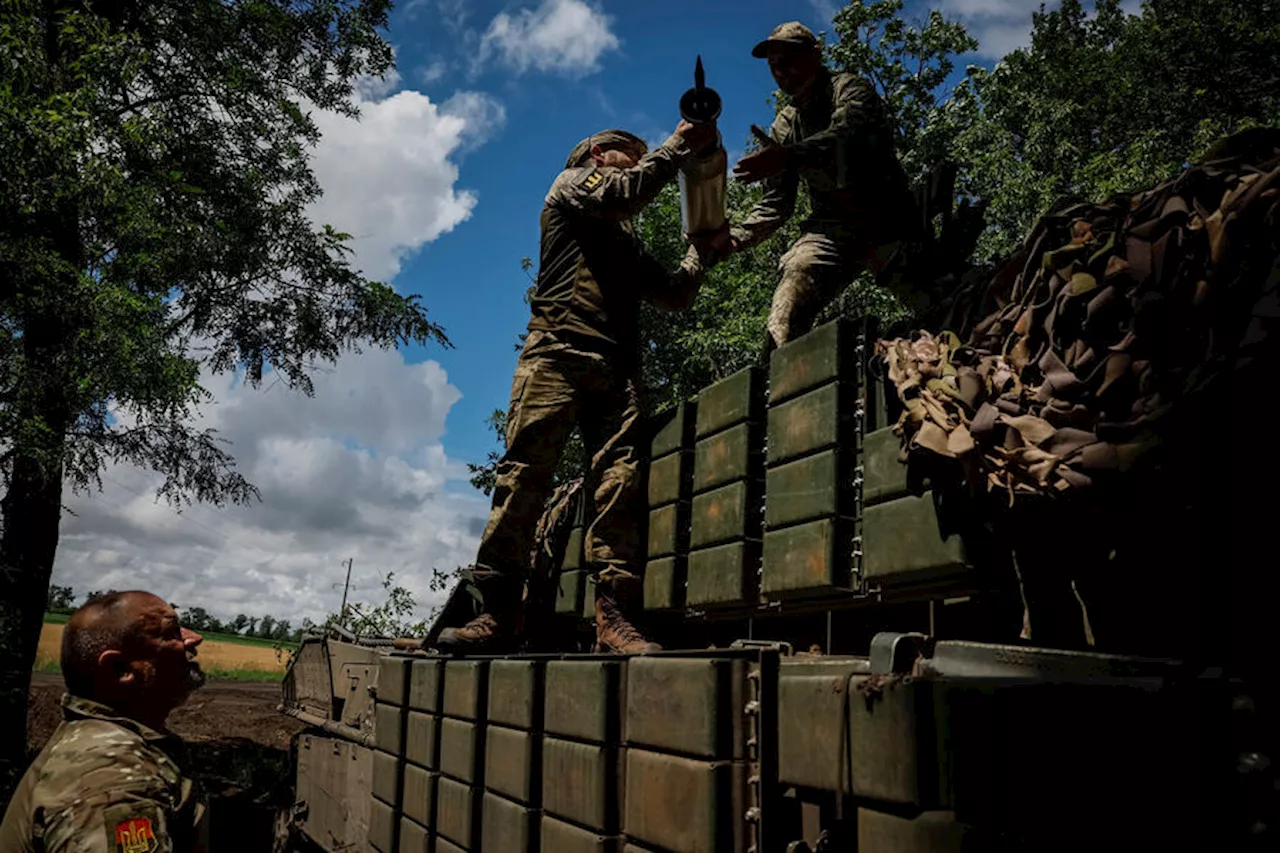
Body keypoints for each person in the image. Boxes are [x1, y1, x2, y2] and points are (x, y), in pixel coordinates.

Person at [436, 120, 723, 656]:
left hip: (615, 372)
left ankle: (613, 619)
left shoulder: (621, 241)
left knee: (620, 486)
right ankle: (496, 612)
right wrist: (677, 147)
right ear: (597, 153)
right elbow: (625, 195)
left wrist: (700, 252)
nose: (638, 162)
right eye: (629, 154)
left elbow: (674, 294)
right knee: (525, 477)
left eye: (643, 155)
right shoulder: (570, 185)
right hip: (556, 354)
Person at [723, 21, 921, 349]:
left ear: (816, 54)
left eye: (789, 60)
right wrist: (733, 239)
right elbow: (776, 203)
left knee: (939, 305)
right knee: (793, 285)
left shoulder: (849, 88)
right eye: (774, 66)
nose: (781, 71)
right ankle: (782, 389)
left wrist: (789, 156)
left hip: (888, 221)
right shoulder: (785, 124)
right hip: (833, 230)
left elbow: (849, 133)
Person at [0, 591, 210, 852]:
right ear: (119, 670)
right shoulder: (112, 783)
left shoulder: (101, 741)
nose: (194, 638)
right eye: (170, 633)